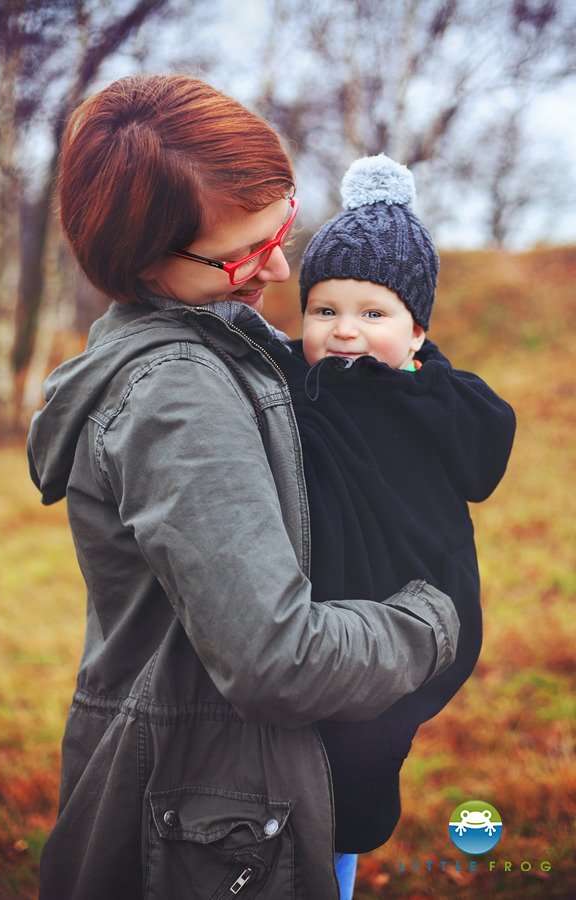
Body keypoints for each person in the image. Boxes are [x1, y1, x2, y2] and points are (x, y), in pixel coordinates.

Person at [27, 75, 460, 900]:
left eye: (283, 224)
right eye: (242, 254)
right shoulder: (177, 395)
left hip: (245, 803)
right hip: (211, 829)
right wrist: (435, 619)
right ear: (139, 260)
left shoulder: (222, 338)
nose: (281, 264)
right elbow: (278, 659)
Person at [243, 155, 516, 886]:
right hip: (331, 611)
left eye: (374, 313)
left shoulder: (435, 395)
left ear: (418, 329)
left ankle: (337, 864)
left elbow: (485, 456)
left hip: (416, 603)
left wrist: (426, 384)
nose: (344, 332)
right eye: (325, 311)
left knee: (360, 766)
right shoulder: (303, 386)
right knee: (310, 767)